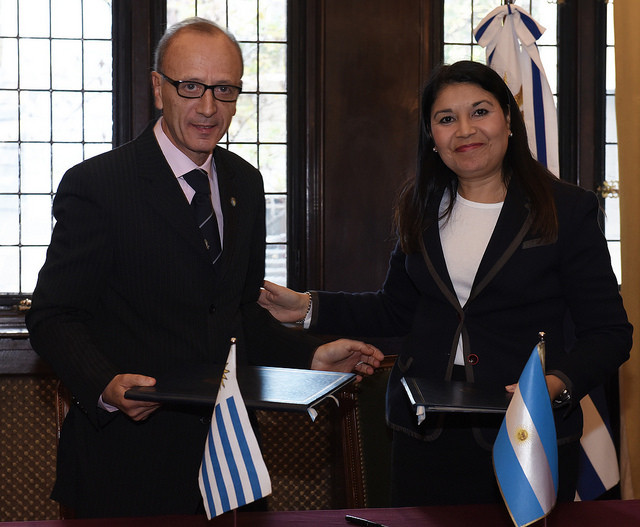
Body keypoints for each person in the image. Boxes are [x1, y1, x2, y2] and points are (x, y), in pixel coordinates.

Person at [26, 17, 382, 518]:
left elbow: (237, 316)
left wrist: (313, 356)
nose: (209, 107)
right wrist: (105, 383)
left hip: (230, 462)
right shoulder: (99, 185)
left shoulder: (246, 183)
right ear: (158, 88)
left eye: (225, 89)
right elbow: (53, 315)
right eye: (190, 87)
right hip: (127, 466)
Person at [259, 60, 632, 507]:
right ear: (432, 137)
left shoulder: (567, 209)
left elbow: (610, 333)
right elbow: (395, 308)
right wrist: (307, 308)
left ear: (507, 120)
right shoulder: (421, 204)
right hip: (424, 430)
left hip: (523, 428)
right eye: (446, 118)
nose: (465, 130)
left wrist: (555, 384)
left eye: (480, 111)